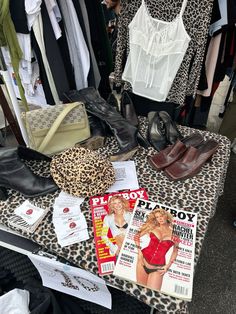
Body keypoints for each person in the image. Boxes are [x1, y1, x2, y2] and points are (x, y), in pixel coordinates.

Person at [134, 208, 179, 291]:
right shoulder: (153, 228)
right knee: (140, 291)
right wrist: (139, 253)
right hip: (142, 262)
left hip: (158, 268)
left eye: (161, 216)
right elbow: (136, 236)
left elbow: (175, 251)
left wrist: (168, 266)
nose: (160, 219)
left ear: (167, 216)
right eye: (157, 217)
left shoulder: (175, 234)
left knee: (152, 294)